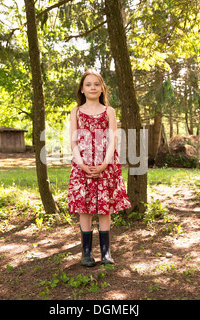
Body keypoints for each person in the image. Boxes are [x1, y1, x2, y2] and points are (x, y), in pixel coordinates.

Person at [68, 69, 131, 267]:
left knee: (105, 207)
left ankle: (106, 253)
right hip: (82, 165)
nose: (93, 87)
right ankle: (86, 253)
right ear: (82, 89)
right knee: (84, 207)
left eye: (96, 84)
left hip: (106, 164)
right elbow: (73, 141)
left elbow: (113, 139)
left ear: (102, 88)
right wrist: (81, 164)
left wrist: (105, 163)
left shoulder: (109, 111)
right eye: (88, 84)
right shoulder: (76, 112)